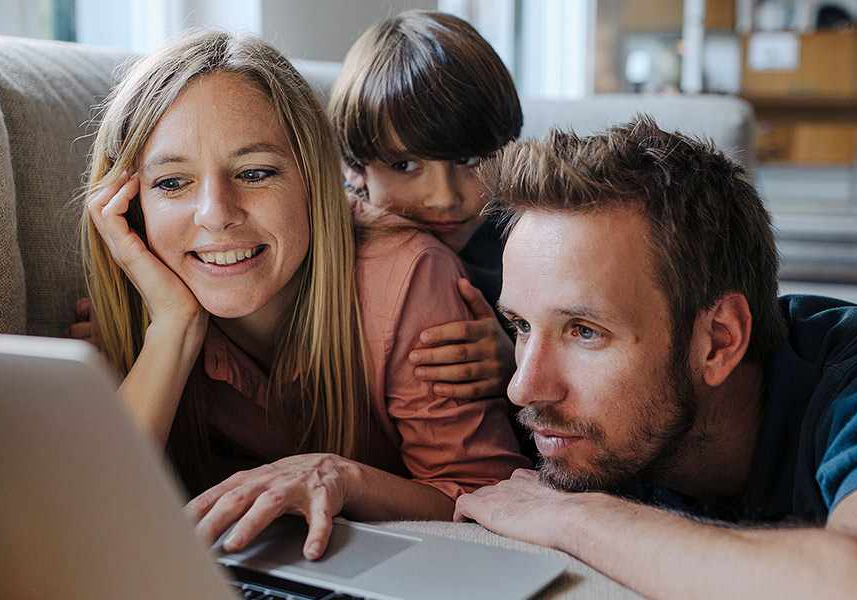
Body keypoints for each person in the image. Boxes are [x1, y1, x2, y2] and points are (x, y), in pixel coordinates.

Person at [454, 116, 857, 598]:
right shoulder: (597, 425)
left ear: (719, 341)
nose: (524, 389)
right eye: (522, 326)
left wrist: (568, 516)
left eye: (583, 332)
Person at [82, 29, 528, 561]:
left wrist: (343, 476)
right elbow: (83, 524)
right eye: (172, 183)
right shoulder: (145, 290)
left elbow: (489, 502)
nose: (216, 214)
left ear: (317, 180)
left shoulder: (415, 274)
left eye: (255, 172)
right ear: (131, 206)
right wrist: (173, 329)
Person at [329, 10, 522, 402]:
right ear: (354, 169)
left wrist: (517, 365)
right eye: (405, 165)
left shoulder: (529, 245)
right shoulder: (333, 256)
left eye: (469, 160)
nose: (444, 197)